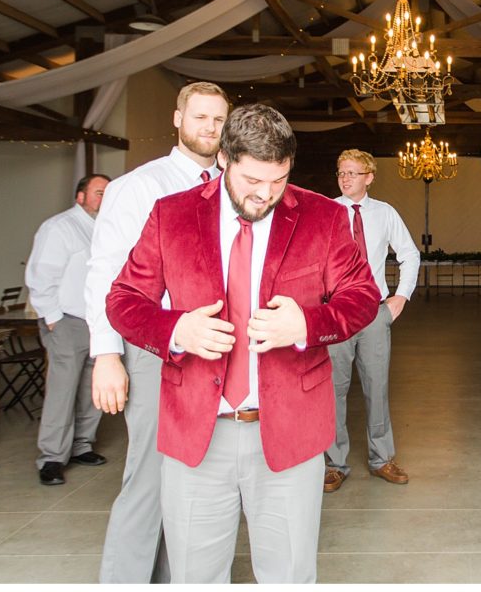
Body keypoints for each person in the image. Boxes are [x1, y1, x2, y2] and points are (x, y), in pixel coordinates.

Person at [105, 103, 381, 583]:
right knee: (195, 576)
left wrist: (309, 325)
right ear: (226, 159)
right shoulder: (172, 216)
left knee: (289, 577)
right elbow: (123, 300)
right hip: (196, 432)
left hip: (291, 434)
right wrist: (175, 330)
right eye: (254, 179)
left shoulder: (323, 217)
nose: (266, 193)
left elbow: (363, 298)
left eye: (279, 180)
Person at [85, 82, 228, 583]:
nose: (210, 128)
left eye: (217, 119)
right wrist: (106, 355)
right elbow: (105, 274)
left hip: (216, 349)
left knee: (198, 477)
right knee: (148, 477)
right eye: (200, 117)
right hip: (154, 347)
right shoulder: (140, 187)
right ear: (177, 119)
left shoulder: (234, 184)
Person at [324, 149, 420, 492]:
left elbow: (409, 253)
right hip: (335, 310)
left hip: (373, 311)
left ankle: (382, 459)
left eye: (352, 172)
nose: (345, 178)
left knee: (377, 386)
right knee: (333, 389)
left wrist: (401, 297)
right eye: (341, 172)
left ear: (369, 177)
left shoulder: (385, 213)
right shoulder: (327, 211)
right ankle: (334, 464)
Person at [26, 174, 110, 486]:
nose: (104, 198)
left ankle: (81, 445)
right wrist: (52, 317)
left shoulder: (106, 228)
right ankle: (51, 457)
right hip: (66, 321)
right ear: (80, 197)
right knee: (62, 390)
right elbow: (41, 274)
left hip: (97, 322)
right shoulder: (59, 227)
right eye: (99, 192)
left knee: (92, 389)